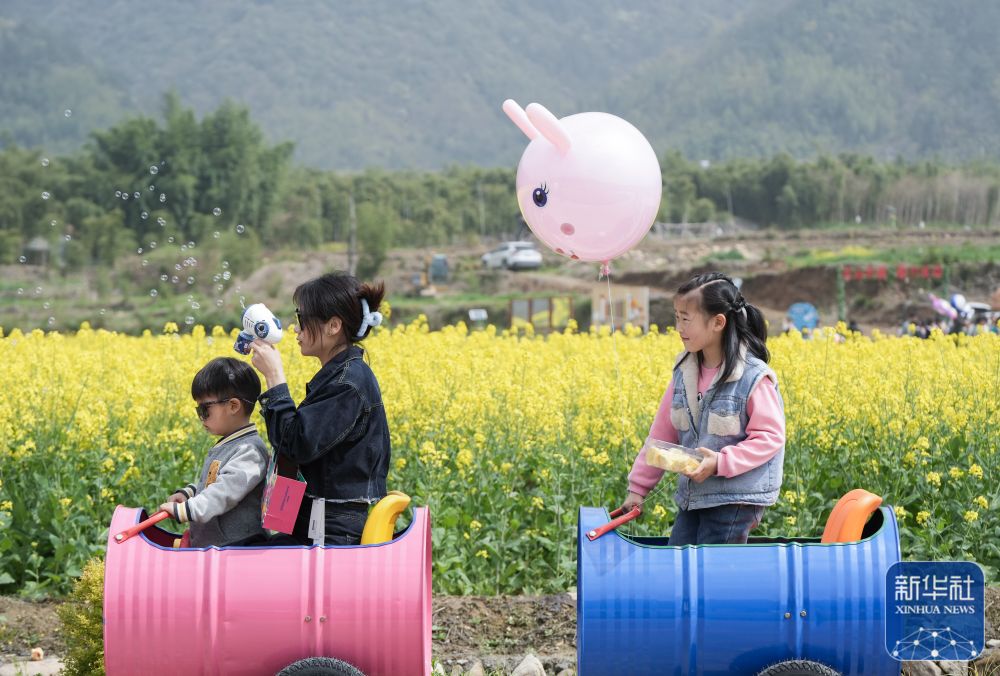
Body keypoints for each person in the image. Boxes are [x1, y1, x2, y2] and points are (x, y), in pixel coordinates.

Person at [620, 272, 786, 545]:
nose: (678, 327)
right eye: (676, 317)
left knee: (711, 568)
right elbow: (661, 436)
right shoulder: (684, 372)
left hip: (735, 499)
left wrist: (720, 462)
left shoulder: (752, 376)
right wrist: (638, 488)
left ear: (718, 322)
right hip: (695, 497)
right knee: (679, 559)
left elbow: (770, 437)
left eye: (686, 319)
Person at [250, 272, 390, 546]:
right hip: (314, 521)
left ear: (333, 326)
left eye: (302, 319)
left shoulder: (347, 384)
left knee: (241, 559)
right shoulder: (341, 376)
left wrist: (275, 378)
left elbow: (296, 444)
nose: (296, 329)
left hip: (329, 531)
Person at [159, 357, 269, 547]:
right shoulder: (230, 444)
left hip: (238, 548)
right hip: (219, 548)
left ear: (233, 406)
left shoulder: (249, 451)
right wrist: (189, 494)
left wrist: (188, 510)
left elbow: (224, 492)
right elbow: (214, 483)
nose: (201, 417)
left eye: (205, 409)